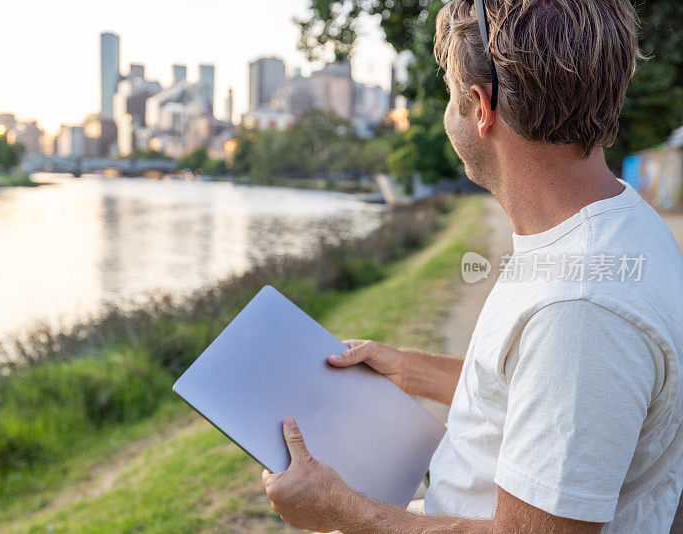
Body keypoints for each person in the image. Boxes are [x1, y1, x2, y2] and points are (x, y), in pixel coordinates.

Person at [261, 0, 683, 532]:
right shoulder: (613, 221)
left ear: (481, 106)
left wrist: (339, 509)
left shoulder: (580, 308)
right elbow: (541, 394)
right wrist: (409, 369)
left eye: (450, 94)